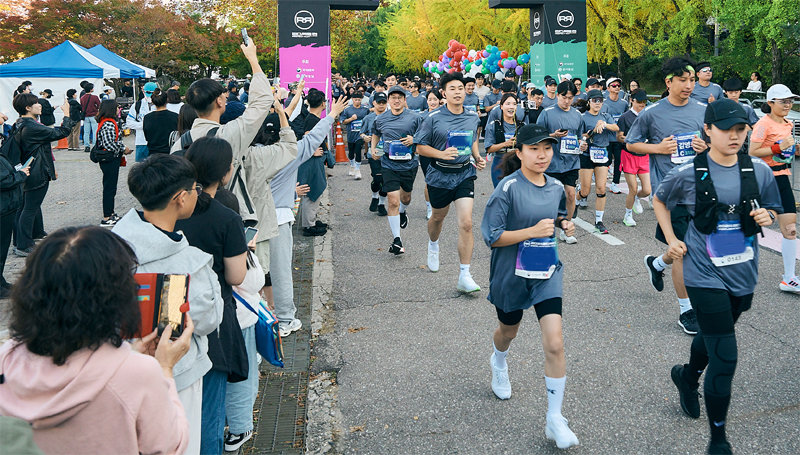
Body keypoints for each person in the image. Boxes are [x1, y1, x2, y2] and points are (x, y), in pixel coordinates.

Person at [656, 99, 781, 455]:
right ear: (708, 129)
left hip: (743, 270)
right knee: (725, 356)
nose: (735, 136)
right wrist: (673, 238)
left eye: (741, 129)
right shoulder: (688, 172)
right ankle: (718, 440)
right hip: (702, 271)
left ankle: (687, 375)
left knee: (715, 336)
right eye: (726, 129)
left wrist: (767, 216)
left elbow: (772, 206)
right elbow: (662, 201)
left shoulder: (759, 170)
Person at [0, 226, 192, 455]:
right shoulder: (140, 373)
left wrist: (129, 356)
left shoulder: (6, 357)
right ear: (116, 296)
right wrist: (165, 369)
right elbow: (170, 447)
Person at [113, 153, 224, 455]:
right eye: (194, 189)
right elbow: (208, 320)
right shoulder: (188, 263)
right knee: (178, 441)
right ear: (179, 197)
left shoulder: (110, 246)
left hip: (120, 367)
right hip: (179, 369)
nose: (198, 194)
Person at [480, 123, 579, 450]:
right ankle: (498, 361)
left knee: (555, 342)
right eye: (534, 149)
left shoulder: (554, 186)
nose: (542, 155)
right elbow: (492, 237)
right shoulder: (506, 188)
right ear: (519, 152)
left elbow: (559, 214)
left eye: (547, 148)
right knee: (508, 331)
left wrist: (564, 222)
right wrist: (532, 231)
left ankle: (555, 417)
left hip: (546, 271)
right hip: (511, 274)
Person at [176, 138, 250, 455]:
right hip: (214, 319)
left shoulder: (169, 211)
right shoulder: (227, 218)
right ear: (225, 172)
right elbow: (236, 276)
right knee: (209, 417)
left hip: (168, 313)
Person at [627, 56, 708, 335]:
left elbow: (713, 144)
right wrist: (658, 149)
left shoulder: (701, 109)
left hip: (701, 189)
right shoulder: (652, 113)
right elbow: (631, 143)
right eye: (683, 80)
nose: (688, 85)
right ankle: (687, 311)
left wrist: (704, 146)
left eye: (692, 80)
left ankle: (657, 263)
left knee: (688, 249)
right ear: (668, 82)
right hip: (671, 193)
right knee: (684, 252)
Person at [268, 96, 347, 337]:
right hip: (278, 219)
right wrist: (332, 115)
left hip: (249, 220)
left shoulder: (249, 153)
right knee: (280, 272)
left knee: (255, 273)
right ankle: (284, 320)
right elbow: (313, 138)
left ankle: (257, 318)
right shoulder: (289, 152)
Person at [172, 38, 272, 227]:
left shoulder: (179, 142)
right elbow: (263, 101)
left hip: (190, 220)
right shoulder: (228, 135)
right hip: (229, 218)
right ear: (219, 101)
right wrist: (252, 59)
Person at [416, 72, 486, 292]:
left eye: (460, 88)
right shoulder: (433, 118)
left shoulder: (472, 116)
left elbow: (472, 137)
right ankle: (433, 244)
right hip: (439, 175)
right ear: (443, 93)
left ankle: (465, 275)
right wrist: (440, 154)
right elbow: (419, 147)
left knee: (466, 222)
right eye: (452, 89)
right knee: (438, 217)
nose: (457, 92)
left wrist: (477, 157)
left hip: (464, 173)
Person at [748, 84, 800, 293]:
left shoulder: (789, 123)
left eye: (790, 101)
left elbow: (786, 152)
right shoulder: (763, 124)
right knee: (747, 226)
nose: (788, 104)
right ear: (770, 103)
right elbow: (752, 152)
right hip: (762, 179)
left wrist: (790, 149)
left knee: (790, 228)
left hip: (782, 177)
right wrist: (779, 147)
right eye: (783, 101)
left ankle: (789, 278)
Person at [12, 94, 74, 257]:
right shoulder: (32, 126)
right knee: (29, 208)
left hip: (27, 171)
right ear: (28, 108)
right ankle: (24, 245)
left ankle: (19, 241)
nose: (40, 106)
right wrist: (67, 114)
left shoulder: (19, 123)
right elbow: (62, 132)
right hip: (36, 173)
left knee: (23, 207)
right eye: (36, 103)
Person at [371, 85, 423, 255]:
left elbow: (425, 135)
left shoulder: (415, 118)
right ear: (389, 101)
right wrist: (373, 149)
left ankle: (402, 211)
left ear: (404, 100)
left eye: (400, 97)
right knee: (393, 200)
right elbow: (376, 133)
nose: (396, 100)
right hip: (389, 164)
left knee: (405, 198)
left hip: (409, 164)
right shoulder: (380, 119)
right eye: (393, 97)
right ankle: (397, 240)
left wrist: (414, 139)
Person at [536, 81, 586, 244]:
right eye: (564, 97)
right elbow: (537, 136)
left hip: (571, 161)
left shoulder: (577, 115)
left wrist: (582, 144)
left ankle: (566, 229)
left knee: (571, 194)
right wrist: (553, 135)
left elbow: (580, 136)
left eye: (570, 98)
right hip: (551, 162)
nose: (567, 101)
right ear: (558, 95)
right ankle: (546, 229)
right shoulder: (547, 113)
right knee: (550, 198)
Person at [576, 89, 619, 234]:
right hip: (587, 155)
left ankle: (599, 220)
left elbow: (616, 128)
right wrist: (589, 134)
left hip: (602, 154)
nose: (598, 103)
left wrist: (604, 124)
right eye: (595, 100)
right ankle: (576, 200)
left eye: (600, 100)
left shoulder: (606, 116)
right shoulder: (582, 117)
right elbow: (579, 135)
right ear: (589, 102)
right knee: (585, 190)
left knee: (601, 188)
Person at [298, 90, 338, 237]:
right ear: (323, 104)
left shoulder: (310, 118)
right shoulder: (312, 120)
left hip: (314, 159)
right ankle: (309, 225)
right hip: (312, 161)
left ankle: (312, 221)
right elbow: (307, 137)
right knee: (312, 189)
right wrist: (313, 151)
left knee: (314, 189)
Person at [616, 89, 652, 227]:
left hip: (644, 155)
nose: (642, 105)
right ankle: (628, 215)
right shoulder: (625, 117)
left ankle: (637, 197)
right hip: (629, 155)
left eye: (644, 102)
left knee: (647, 190)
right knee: (633, 187)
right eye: (639, 102)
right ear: (632, 100)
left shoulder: (647, 115)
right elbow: (619, 137)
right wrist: (632, 140)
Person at [95, 99, 132, 226]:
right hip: (109, 159)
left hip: (111, 159)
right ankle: (106, 217)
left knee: (111, 187)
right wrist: (123, 149)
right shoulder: (109, 123)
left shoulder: (107, 122)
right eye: (117, 107)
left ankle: (110, 213)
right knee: (109, 188)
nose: (118, 110)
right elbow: (109, 144)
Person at [0, 134, 29, 298]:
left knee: (3, 248)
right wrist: (21, 175)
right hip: (3, 208)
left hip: (7, 207)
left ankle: (1, 281)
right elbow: (3, 181)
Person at [485, 93, 523, 187]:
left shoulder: (522, 126)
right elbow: (489, 148)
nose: (511, 106)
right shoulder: (494, 125)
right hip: (499, 163)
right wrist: (505, 144)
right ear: (501, 106)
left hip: (518, 164)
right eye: (508, 103)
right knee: (501, 194)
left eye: (514, 104)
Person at [362, 92, 389, 217]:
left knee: (386, 180)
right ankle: (374, 196)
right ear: (374, 103)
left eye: (384, 102)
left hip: (388, 154)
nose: (381, 105)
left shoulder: (391, 116)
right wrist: (365, 137)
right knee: (377, 178)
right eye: (379, 103)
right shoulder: (368, 118)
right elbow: (361, 132)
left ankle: (382, 204)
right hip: (373, 153)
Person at [600, 77, 628, 194]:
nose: (617, 87)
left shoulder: (624, 103)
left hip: (618, 138)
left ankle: (615, 183)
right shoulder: (604, 103)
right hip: (606, 138)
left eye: (618, 86)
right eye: (614, 86)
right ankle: (600, 182)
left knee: (618, 161)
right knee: (605, 162)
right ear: (608, 88)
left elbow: (626, 118)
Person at [341, 92, 370, 180]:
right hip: (351, 134)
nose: (357, 101)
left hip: (360, 134)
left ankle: (357, 170)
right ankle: (352, 165)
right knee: (351, 152)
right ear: (352, 100)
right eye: (355, 100)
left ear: (361, 100)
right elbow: (343, 121)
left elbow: (368, 120)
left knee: (358, 150)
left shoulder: (365, 110)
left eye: (359, 100)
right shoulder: (347, 110)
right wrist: (351, 119)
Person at [126, 81, 157, 162]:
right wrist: (144, 125)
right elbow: (129, 122)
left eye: (152, 93)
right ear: (143, 91)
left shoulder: (162, 105)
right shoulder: (137, 105)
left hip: (158, 142)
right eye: (147, 92)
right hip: (142, 142)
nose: (150, 95)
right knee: (141, 167)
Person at [143, 89, 179, 155]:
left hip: (153, 154)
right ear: (167, 100)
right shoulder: (175, 116)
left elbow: (146, 136)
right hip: (171, 153)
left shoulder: (147, 118)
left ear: (153, 102)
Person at [80, 83, 101, 152]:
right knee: (95, 131)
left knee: (86, 132)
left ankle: (87, 146)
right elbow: (99, 106)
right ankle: (94, 146)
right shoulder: (95, 97)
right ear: (91, 89)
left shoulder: (82, 98)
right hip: (94, 116)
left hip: (86, 116)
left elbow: (82, 107)